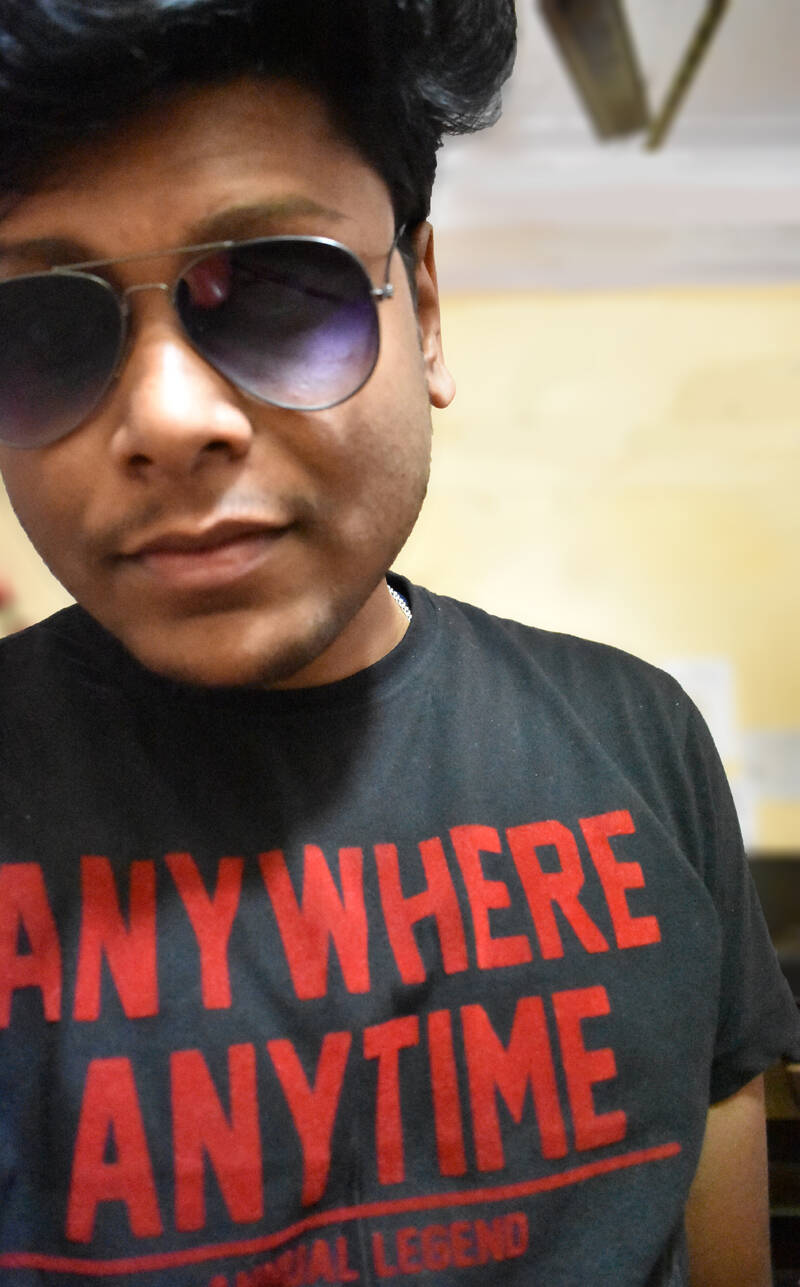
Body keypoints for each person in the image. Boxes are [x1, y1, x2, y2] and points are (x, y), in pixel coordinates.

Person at [0, 2, 797, 1284]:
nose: (167, 418)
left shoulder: (638, 737)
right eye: (39, 327)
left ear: (422, 311)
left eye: (275, 288)